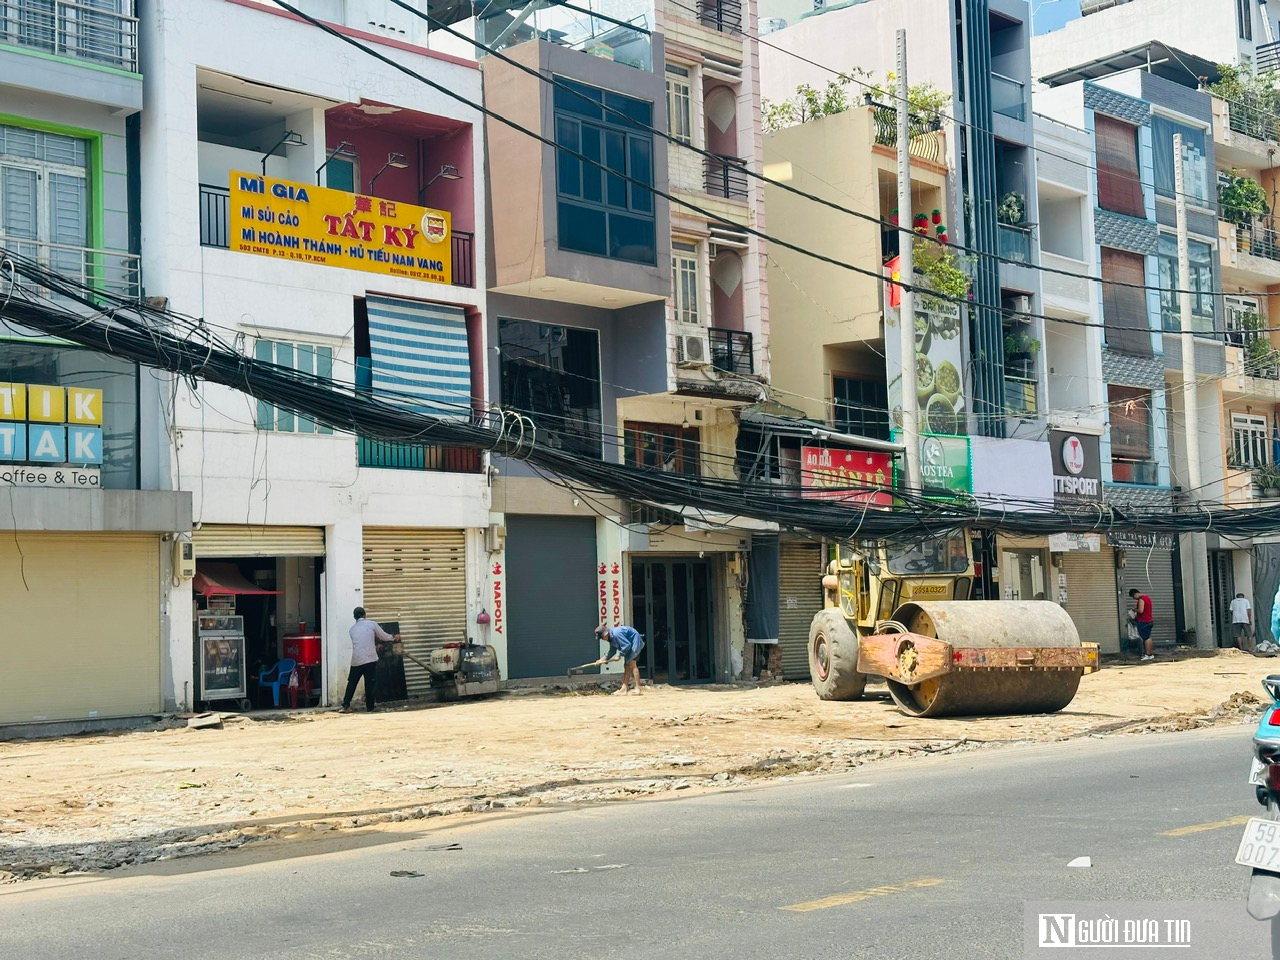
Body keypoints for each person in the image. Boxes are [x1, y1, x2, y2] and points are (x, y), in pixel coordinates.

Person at [342, 607, 398, 713]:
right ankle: (370, 707)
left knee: (352, 683)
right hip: (370, 659)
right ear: (365, 615)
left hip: (356, 660)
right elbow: (383, 636)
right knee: (370, 683)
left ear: (354, 617)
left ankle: (345, 704)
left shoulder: (352, 630)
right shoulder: (371, 624)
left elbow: (362, 641)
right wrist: (394, 637)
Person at [591, 622, 645, 696]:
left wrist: (619, 655)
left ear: (605, 635)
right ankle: (624, 688)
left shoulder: (616, 634)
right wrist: (602, 660)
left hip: (634, 642)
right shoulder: (611, 638)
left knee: (632, 664)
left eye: (602, 637)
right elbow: (612, 651)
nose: (602, 639)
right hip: (629, 644)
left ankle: (638, 688)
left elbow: (627, 645)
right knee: (626, 665)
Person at [1129, 588, 1155, 661]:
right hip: (1149, 620)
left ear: (1135, 594)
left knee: (1146, 638)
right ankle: (1150, 653)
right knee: (1148, 637)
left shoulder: (1141, 599)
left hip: (1144, 621)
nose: (1135, 599)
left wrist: (1134, 610)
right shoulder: (1148, 598)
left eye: (1134, 597)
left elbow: (1140, 610)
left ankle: (1148, 654)